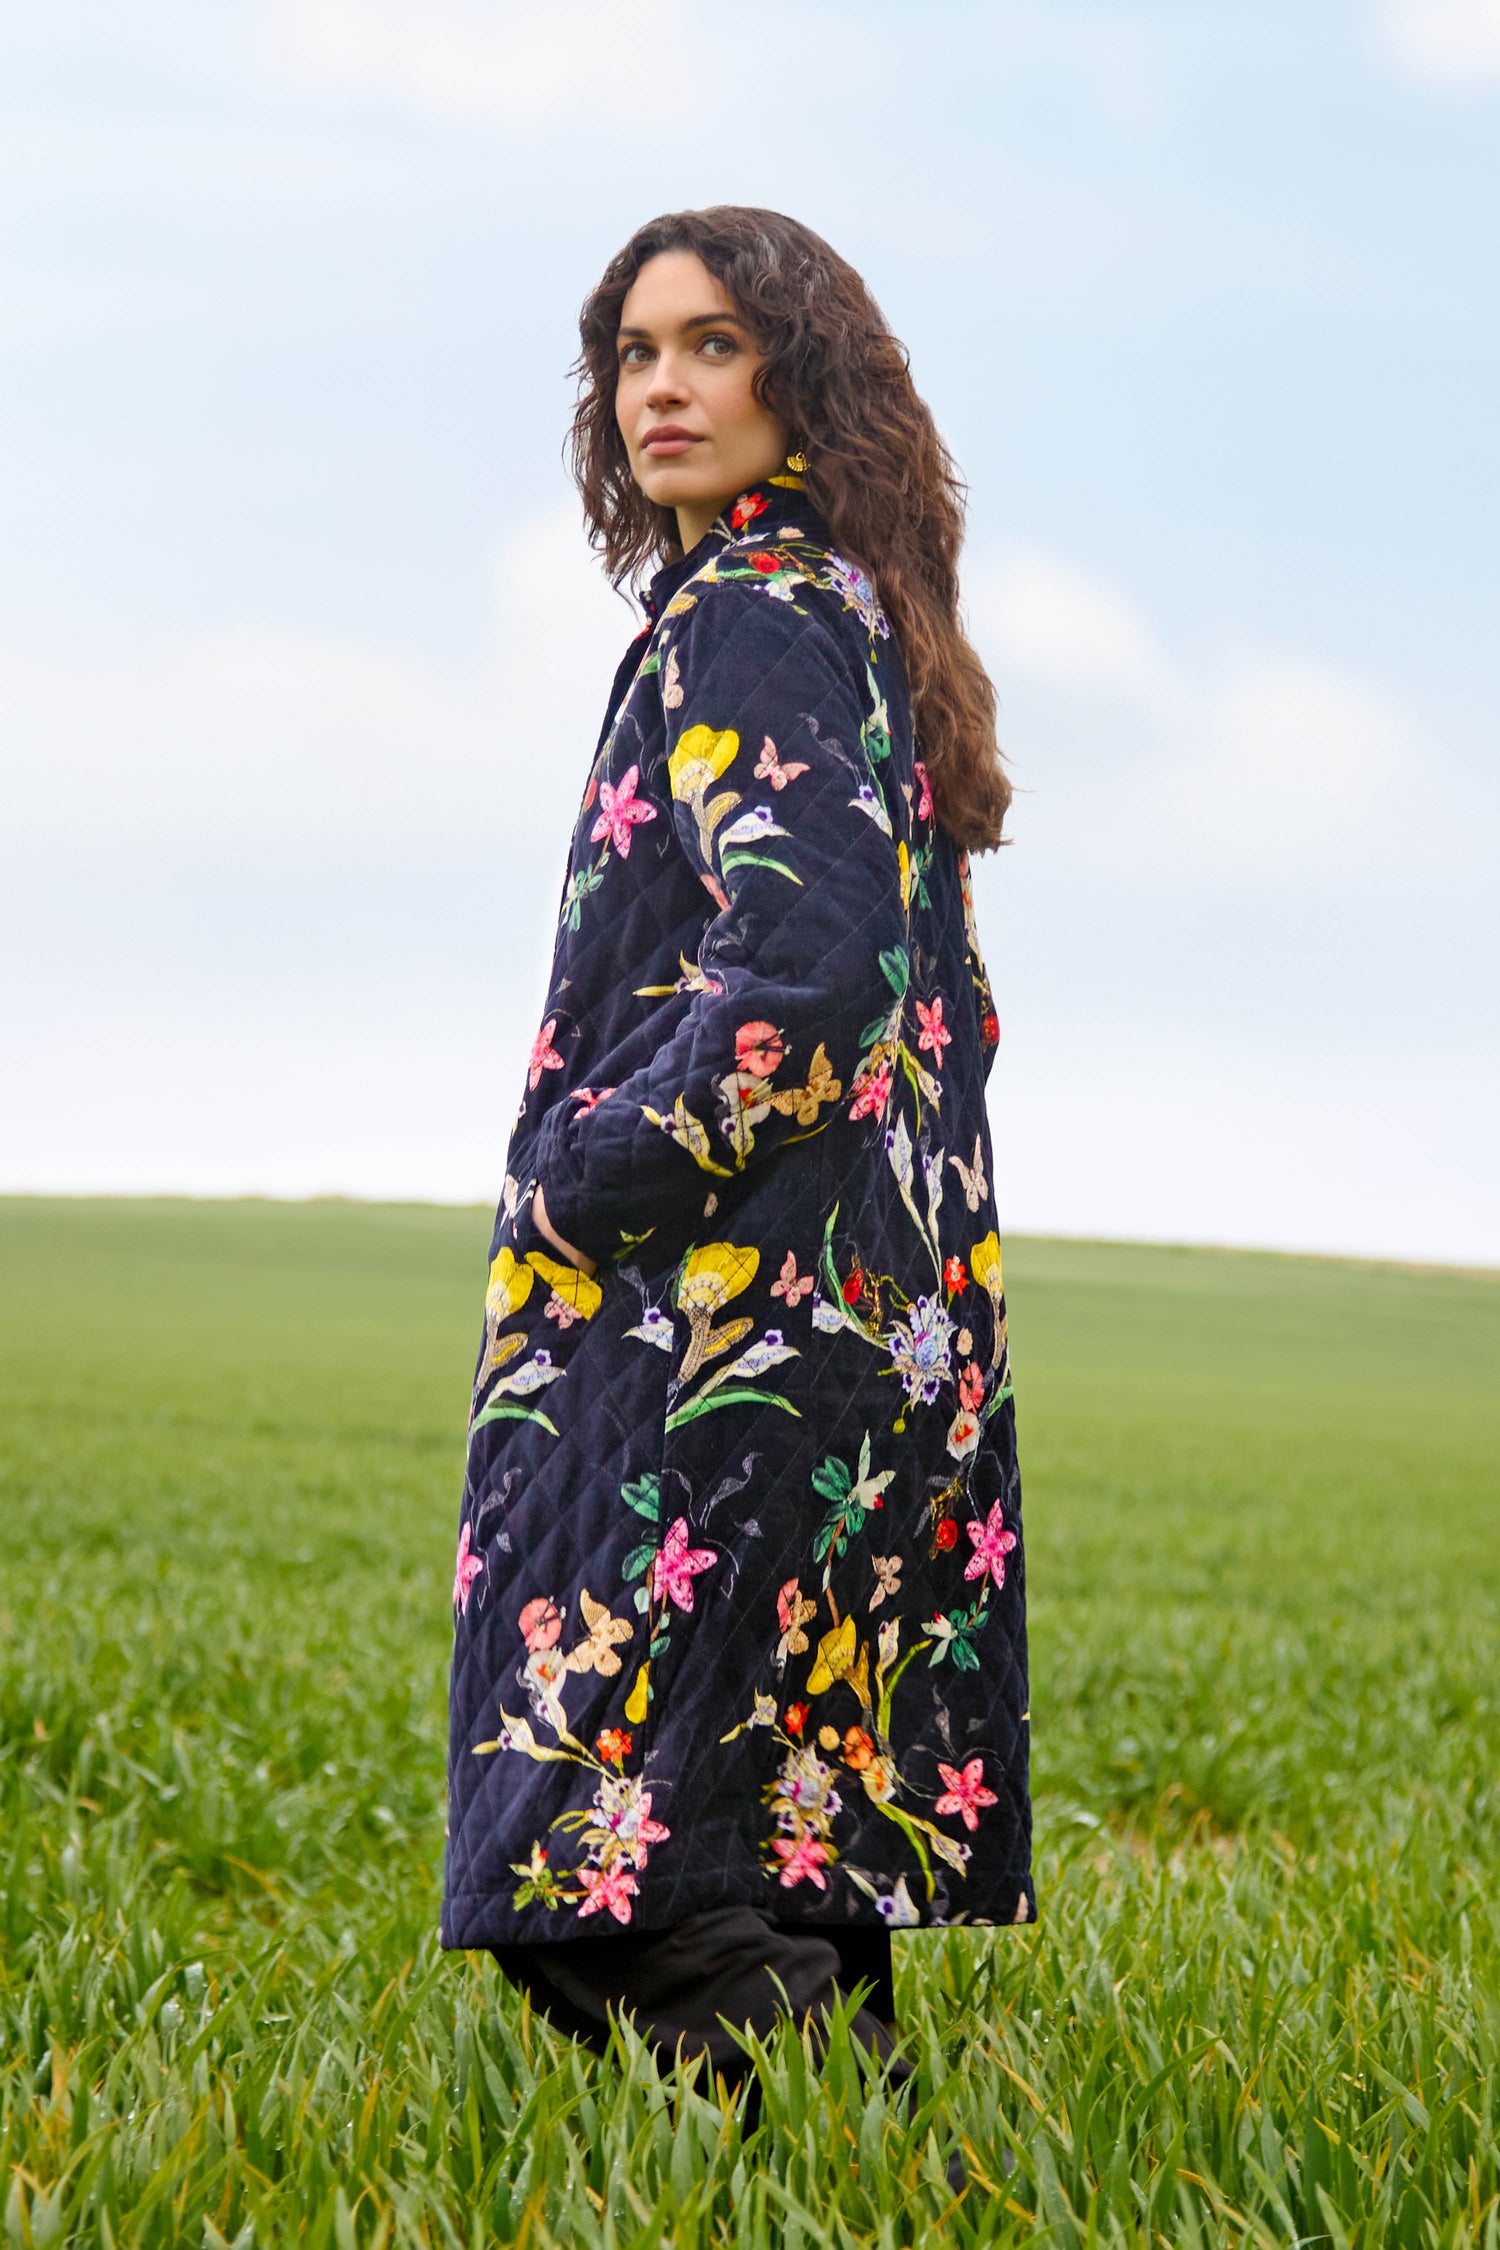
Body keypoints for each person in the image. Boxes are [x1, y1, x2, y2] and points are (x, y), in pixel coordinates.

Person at [442, 206, 1033, 2102]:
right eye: (633, 352)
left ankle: (876, 2156)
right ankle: (854, 2177)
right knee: (767, 1807)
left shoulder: (755, 615)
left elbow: (811, 963)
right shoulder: (845, 608)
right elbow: (938, 1001)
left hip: (713, 1318)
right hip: (848, 1312)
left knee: (591, 1861)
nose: (663, 386)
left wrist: (581, 1175)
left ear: (802, 373)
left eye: (711, 344)